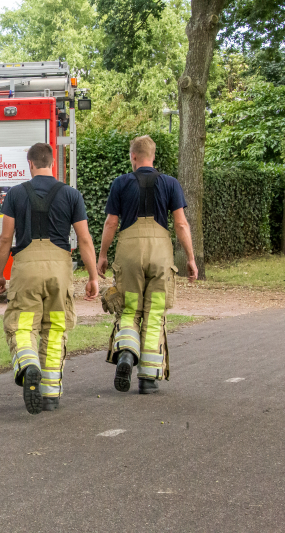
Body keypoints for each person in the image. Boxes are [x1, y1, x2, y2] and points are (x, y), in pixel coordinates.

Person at [0, 143, 100, 414]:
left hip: (26, 267)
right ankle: (50, 394)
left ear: (30, 164)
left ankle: (29, 365)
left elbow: (6, 237)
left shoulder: (16, 194)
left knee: (23, 325)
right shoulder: (71, 195)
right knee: (54, 328)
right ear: (52, 163)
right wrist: (93, 277)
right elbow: (85, 239)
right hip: (59, 269)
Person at [97, 135, 198, 394]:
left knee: (130, 310)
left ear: (133, 156)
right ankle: (148, 379)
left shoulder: (120, 183)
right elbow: (181, 224)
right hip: (161, 254)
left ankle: (128, 353)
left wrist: (103, 255)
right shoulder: (170, 183)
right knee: (154, 314)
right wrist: (190, 258)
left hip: (129, 253)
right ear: (153, 157)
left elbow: (111, 223)